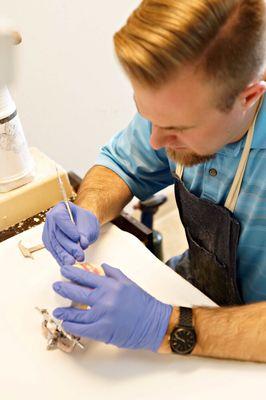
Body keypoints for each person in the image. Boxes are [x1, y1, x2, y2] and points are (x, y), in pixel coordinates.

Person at [43, 0, 266, 362]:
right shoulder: (182, 102)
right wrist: (86, 209)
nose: (156, 142)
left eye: (177, 128)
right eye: (149, 117)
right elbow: (122, 164)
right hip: (195, 292)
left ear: (249, 97)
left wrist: (167, 326)